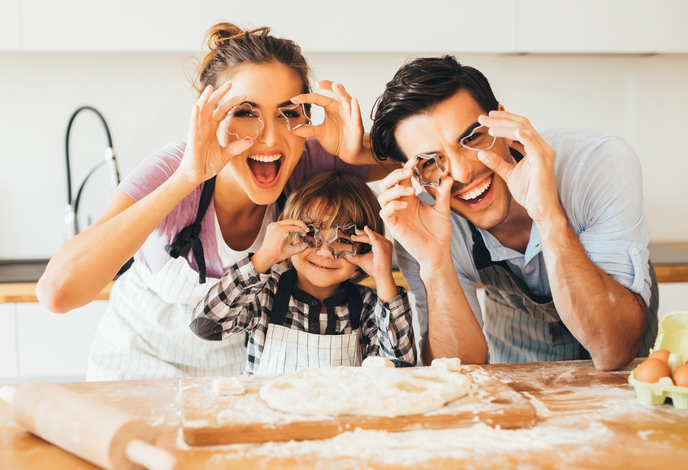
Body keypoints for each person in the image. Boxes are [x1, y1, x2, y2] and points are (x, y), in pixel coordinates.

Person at [36, 23, 391, 381]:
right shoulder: (172, 169)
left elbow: (429, 156)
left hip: (238, 378)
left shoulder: (308, 159)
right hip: (137, 366)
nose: (269, 137)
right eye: (245, 112)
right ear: (210, 117)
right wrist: (186, 179)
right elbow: (56, 293)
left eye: (288, 113)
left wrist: (358, 150)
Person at [370, 55, 658, 371]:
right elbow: (455, 368)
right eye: (429, 161)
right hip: (517, 342)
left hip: (620, 334)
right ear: (415, 175)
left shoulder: (595, 165)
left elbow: (612, 350)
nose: (463, 173)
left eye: (472, 138)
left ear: (503, 124)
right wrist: (434, 262)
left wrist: (548, 214)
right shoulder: (420, 221)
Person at [190, 171, 416, 374]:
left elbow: (399, 369)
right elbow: (206, 326)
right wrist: (264, 257)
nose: (326, 252)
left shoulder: (368, 305)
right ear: (289, 232)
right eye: (311, 233)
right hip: (268, 418)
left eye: (344, 239)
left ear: (366, 246)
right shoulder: (264, 294)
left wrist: (384, 278)